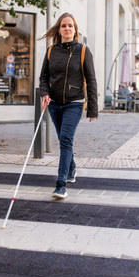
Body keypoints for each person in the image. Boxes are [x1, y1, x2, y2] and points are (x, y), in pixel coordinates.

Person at [39, 12, 98, 199]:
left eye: (70, 26)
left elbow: (91, 80)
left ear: (75, 30)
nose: (67, 28)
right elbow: (44, 77)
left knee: (65, 140)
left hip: (74, 103)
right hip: (54, 104)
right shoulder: (51, 51)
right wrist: (45, 93)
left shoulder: (83, 51)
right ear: (59, 29)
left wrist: (93, 108)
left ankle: (61, 184)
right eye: (64, 25)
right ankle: (72, 168)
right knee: (64, 140)